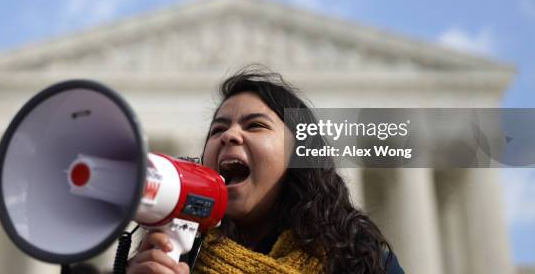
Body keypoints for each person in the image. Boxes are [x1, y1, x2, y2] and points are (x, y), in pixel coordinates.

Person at [127, 66, 404, 273]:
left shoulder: (362, 262)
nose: (229, 136)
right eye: (218, 129)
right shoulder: (167, 258)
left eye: (255, 125)